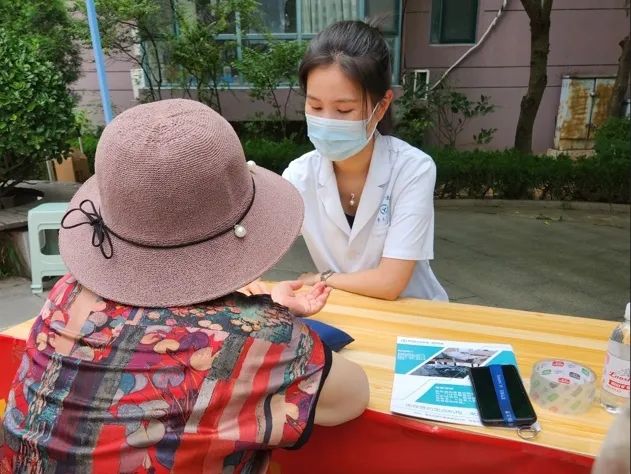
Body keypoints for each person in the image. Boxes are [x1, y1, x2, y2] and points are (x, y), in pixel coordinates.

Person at [0, 99, 369, 473]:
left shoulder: (67, 296)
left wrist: (257, 311)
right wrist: (265, 319)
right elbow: (352, 396)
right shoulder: (264, 338)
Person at [282, 20, 448, 301]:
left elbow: (389, 283)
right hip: (342, 310)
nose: (327, 121)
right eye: (315, 106)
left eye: (344, 110)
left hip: (413, 312)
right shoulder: (299, 176)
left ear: (381, 106)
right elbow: (255, 244)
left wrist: (320, 278)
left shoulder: (412, 169)